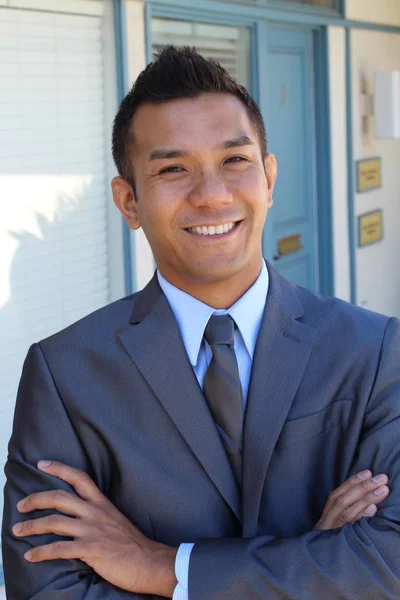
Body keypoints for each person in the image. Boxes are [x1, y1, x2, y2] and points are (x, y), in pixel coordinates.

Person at [2, 46, 400, 600]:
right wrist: (315, 562)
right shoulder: (65, 374)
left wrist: (164, 569)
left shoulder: (376, 350)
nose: (211, 195)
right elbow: (49, 591)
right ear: (129, 202)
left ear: (269, 177)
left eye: (234, 161)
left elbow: (391, 562)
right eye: (172, 168)